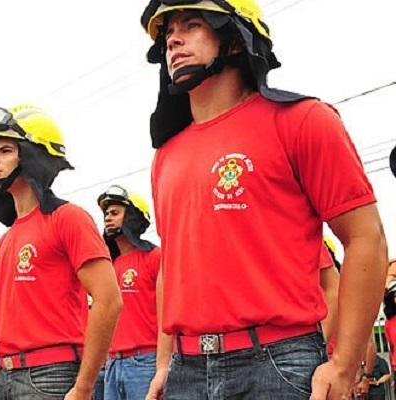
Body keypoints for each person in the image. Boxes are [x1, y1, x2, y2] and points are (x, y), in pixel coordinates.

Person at [139, 0, 388, 398]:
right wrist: (164, 363)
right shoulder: (165, 156)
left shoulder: (304, 120)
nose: (173, 40)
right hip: (185, 371)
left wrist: (344, 363)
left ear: (236, 40)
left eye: (192, 24)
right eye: (168, 32)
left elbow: (366, 238)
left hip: (278, 365)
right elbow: (172, 264)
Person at [0, 104, 123, 399]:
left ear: (33, 155)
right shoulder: (6, 239)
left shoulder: (68, 218)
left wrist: (84, 386)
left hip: (52, 377)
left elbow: (108, 300)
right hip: (5, 377)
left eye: (5, 150)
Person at [96, 186, 160, 400]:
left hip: (145, 363)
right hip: (112, 364)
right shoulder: (106, 266)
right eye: (106, 214)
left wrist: (164, 365)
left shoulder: (154, 257)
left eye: (115, 213)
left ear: (132, 216)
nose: (107, 218)